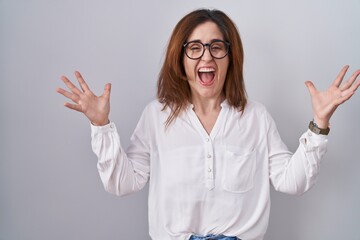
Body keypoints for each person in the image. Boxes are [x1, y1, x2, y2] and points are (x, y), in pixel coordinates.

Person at [56, 9, 360, 240]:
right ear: (181, 58)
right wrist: (101, 125)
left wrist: (320, 123)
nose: (207, 56)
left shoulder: (256, 117)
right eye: (195, 47)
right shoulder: (155, 116)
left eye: (217, 47)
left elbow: (292, 183)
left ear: (231, 57)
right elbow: (122, 183)